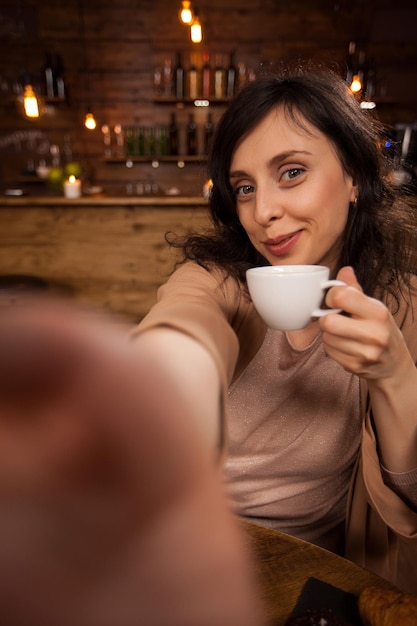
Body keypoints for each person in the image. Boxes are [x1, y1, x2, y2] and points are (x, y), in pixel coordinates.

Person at [134, 65, 417, 594]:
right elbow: (183, 327)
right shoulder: (219, 282)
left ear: (355, 177)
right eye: (244, 188)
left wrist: (396, 375)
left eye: (291, 172)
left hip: (318, 578)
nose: (263, 211)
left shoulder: (401, 305)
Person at [0, 299, 266, 625]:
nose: (265, 242)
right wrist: (160, 399)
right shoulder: (216, 280)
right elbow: (187, 325)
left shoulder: (347, 300)